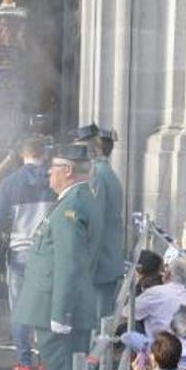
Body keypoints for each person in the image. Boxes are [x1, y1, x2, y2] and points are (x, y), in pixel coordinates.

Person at [16, 144, 99, 370]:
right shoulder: (79, 199)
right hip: (64, 306)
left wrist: (60, 314)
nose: (49, 172)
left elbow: (69, 263)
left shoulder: (70, 207)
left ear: (68, 170)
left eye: (53, 167)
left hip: (58, 309)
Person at [0, 136, 57, 370]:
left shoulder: (10, 182)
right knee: (46, 309)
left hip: (19, 251)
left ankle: (24, 364)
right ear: (45, 154)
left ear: (22, 155)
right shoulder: (55, 179)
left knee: (20, 310)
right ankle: (46, 363)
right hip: (49, 253)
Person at [75, 125, 125, 318]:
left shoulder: (96, 174)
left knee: (96, 325)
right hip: (107, 259)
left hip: (100, 263)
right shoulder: (107, 173)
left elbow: (94, 222)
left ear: (93, 151)